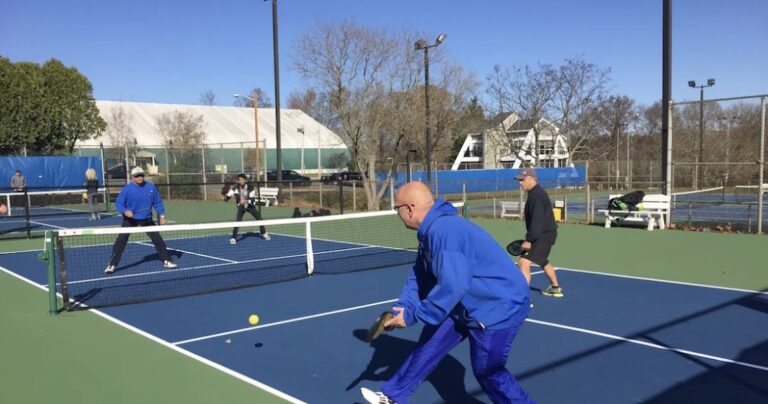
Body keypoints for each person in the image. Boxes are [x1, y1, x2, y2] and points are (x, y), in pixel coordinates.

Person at [361, 182, 534, 404]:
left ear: (410, 208)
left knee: (489, 373)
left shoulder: (445, 232)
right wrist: (405, 306)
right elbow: (420, 274)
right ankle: (392, 397)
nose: (398, 214)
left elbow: (452, 285)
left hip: (497, 309)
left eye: (397, 208)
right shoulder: (430, 230)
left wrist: (414, 316)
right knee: (429, 345)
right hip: (465, 304)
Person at [104, 166, 176, 273]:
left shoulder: (151, 187)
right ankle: (112, 264)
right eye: (136, 176)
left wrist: (162, 215)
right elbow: (119, 203)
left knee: (157, 239)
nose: (139, 177)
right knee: (121, 240)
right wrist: (125, 211)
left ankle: (167, 260)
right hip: (130, 219)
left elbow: (157, 202)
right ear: (133, 177)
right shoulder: (127, 189)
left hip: (146, 219)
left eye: (141, 175)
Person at [515, 167, 563, 297]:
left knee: (523, 261)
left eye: (522, 179)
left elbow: (537, 220)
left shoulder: (536, 196)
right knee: (542, 260)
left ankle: (523, 296)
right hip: (547, 233)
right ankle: (555, 288)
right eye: (519, 180)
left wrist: (529, 239)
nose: (520, 182)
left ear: (531, 179)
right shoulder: (536, 194)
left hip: (543, 234)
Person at [222, 173, 270, 244]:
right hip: (241, 207)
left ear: (245, 180)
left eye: (242, 180)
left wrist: (245, 201)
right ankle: (233, 238)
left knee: (259, 219)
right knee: (238, 221)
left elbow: (253, 200)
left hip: (250, 206)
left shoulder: (250, 187)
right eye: (239, 180)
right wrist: (224, 198)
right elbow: (228, 196)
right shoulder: (235, 188)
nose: (241, 181)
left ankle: (263, 233)